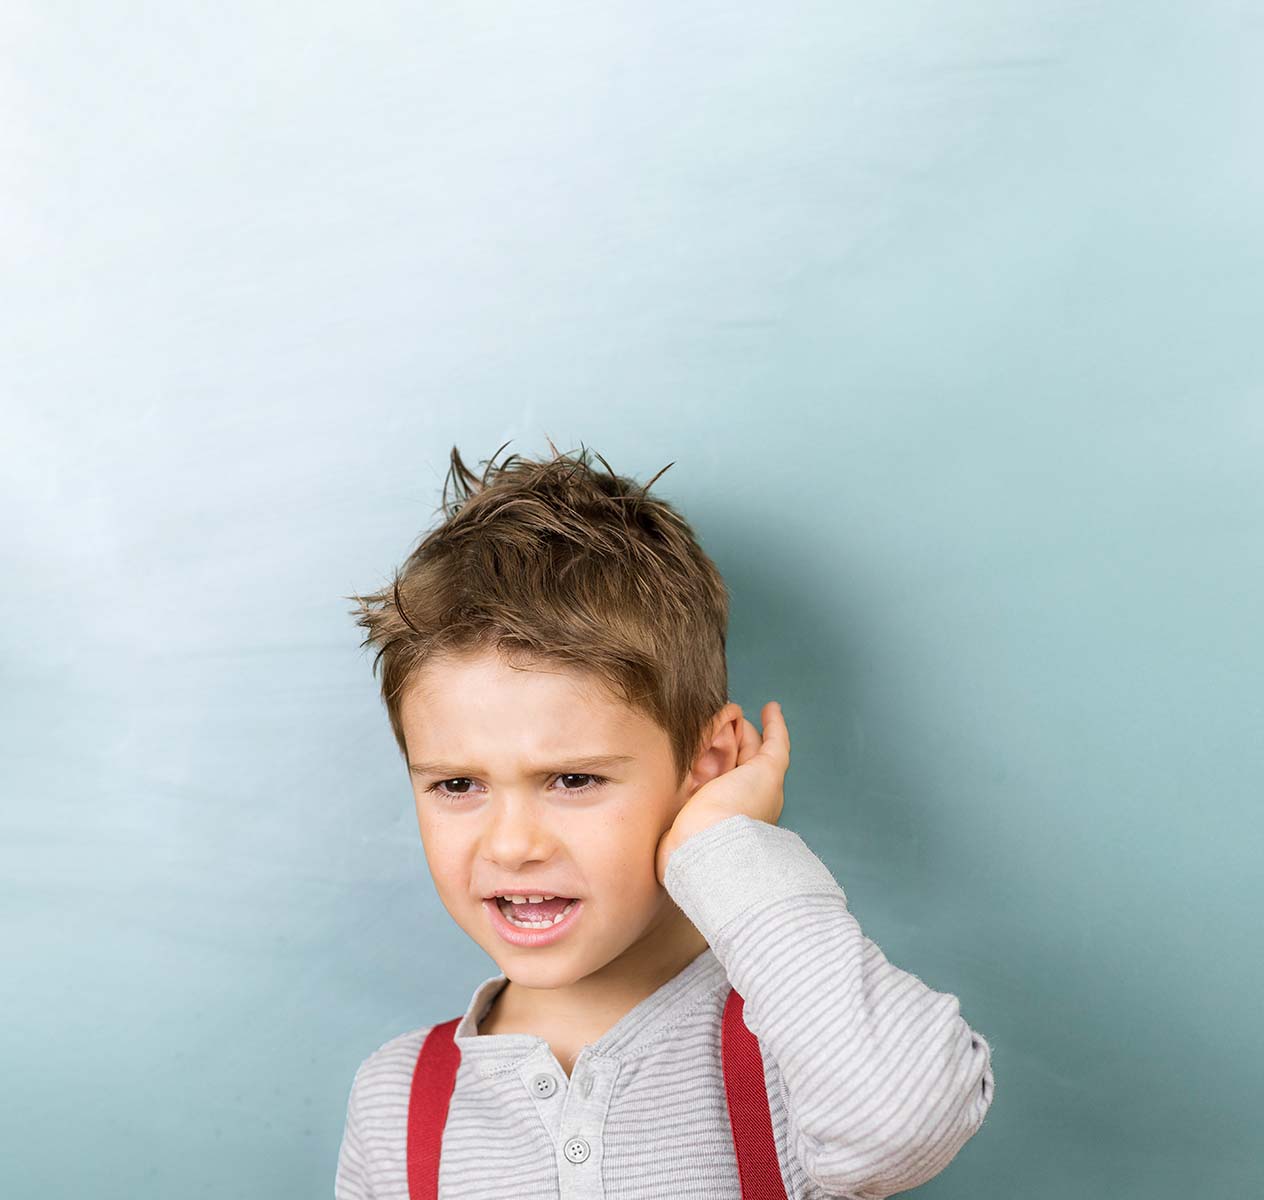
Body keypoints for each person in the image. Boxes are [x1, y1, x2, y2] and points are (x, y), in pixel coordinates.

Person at [335, 441, 995, 1199]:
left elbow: (901, 1126)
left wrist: (725, 847)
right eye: (457, 784)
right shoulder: (398, 1104)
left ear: (707, 766)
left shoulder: (799, 1045)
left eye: (573, 779)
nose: (512, 844)